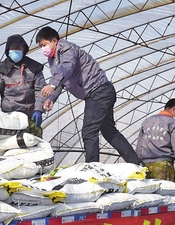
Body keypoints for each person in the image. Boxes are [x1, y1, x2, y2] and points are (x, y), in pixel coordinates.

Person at [36, 26, 140, 164]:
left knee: (89, 132)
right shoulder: (53, 59)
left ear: (54, 40)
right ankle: (136, 163)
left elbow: (66, 68)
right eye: (41, 46)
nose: (43, 49)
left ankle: (93, 168)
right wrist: (51, 98)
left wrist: (52, 84)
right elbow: (61, 78)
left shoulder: (67, 49)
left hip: (98, 90)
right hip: (100, 92)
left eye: (44, 45)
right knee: (109, 131)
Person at [0, 34, 46, 137]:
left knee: (34, 145)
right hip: (9, 119)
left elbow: (40, 90)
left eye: (18, 48)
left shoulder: (34, 67)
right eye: (12, 48)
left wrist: (38, 110)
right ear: (8, 50)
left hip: (31, 117)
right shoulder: (0, 71)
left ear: (24, 49)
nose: (15, 50)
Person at [136, 98, 175, 183]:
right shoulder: (173, 124)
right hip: (163, 167)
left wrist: (137, 164)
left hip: (145, 167)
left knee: (147, 194)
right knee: (164, 194)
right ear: (174, 109)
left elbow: (139, 147)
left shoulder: (147, 121)